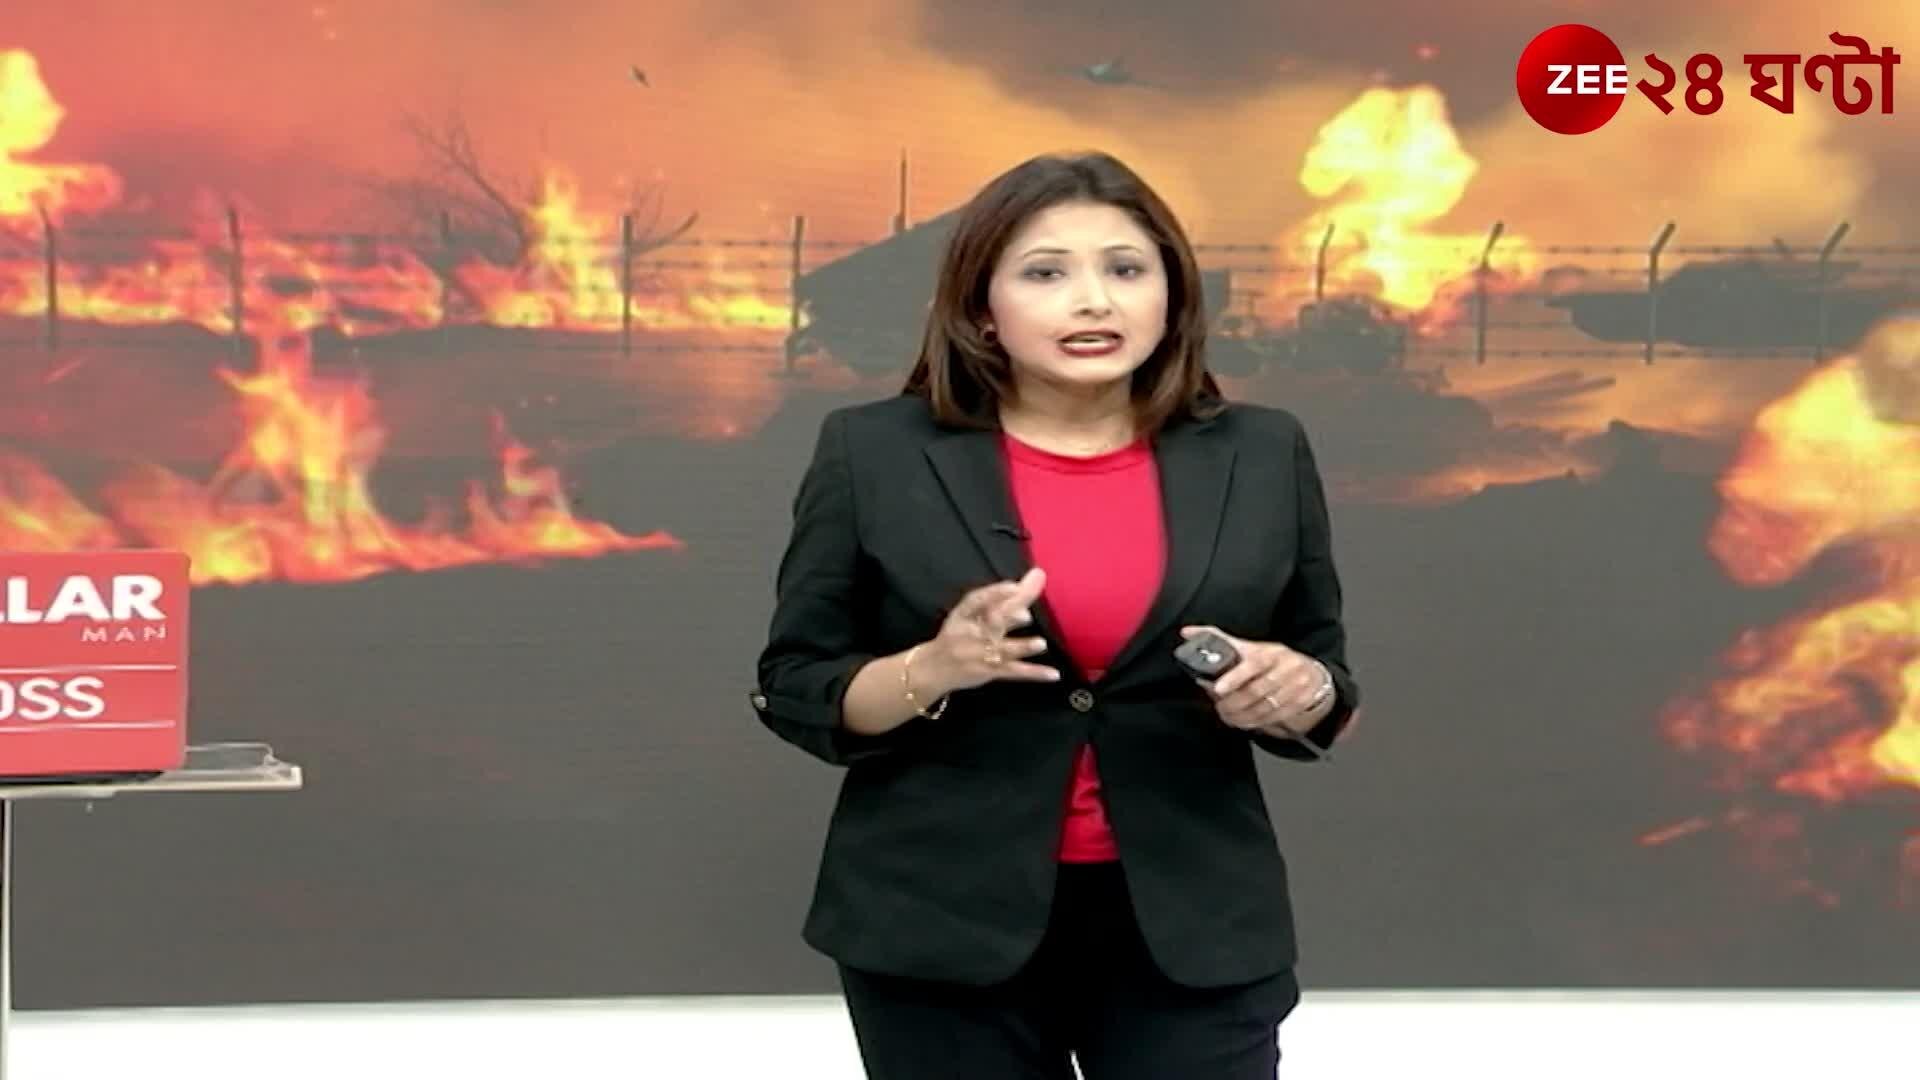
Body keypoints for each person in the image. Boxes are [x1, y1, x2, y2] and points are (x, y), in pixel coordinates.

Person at [750, 150, 1360, 1079]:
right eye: (1046, 273)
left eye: (1126, 269)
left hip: (1192, 923)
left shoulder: (1263, 450)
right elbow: (796, 683)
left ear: (1172, 297)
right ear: (981, 307)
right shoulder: (873, 452)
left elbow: (1325, 677)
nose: (1094, 301)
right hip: (941, 928)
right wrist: (937, 665)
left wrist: (1294, 689)